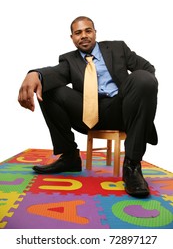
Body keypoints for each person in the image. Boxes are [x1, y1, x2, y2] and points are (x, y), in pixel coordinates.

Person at [18, 16, 158, 198]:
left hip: (121, 108)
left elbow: (148, 69)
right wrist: (34, 74)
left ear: (95, 33)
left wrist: (136, 95)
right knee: (48, 88)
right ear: (72, 38)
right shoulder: (69, 60)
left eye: (87, 31)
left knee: (144, 78)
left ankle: (132, 165)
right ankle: (69, 157)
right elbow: (55, 73)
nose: (83, 36)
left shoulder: (117, 48)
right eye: (78, 33)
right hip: (88, 112)